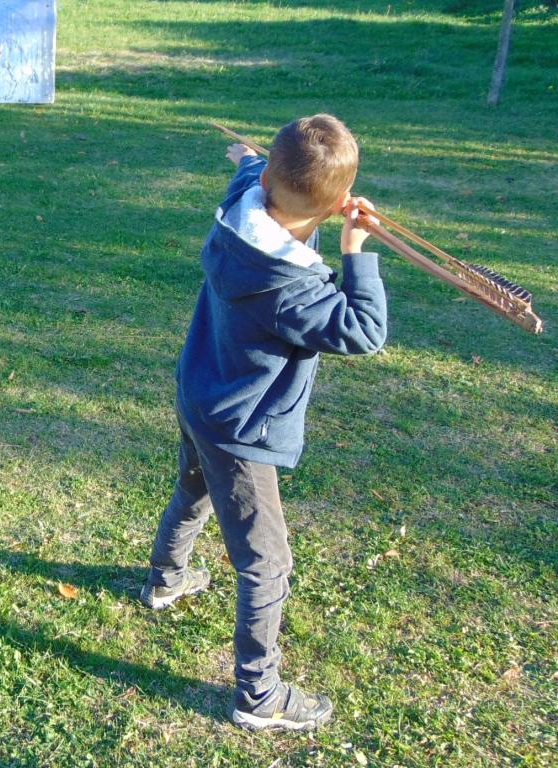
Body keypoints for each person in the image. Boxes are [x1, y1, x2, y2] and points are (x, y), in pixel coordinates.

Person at [139, 115, 388, 731]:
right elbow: (363, 331)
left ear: (270, 177)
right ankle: (260, 697)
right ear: (333, 209)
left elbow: (250, 168)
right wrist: (355, 252)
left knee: (194, 489)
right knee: (265, 564)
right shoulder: (292, 289)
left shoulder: (241, 205)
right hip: (242, 431)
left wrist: (249, 156)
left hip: (201, 394)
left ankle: (166, 581)